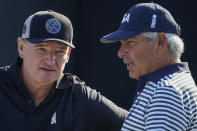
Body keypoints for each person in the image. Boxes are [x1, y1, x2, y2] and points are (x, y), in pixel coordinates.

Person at [0, 10, 128, 131]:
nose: (51, 60)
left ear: (68, 55)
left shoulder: (78, 97)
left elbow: (135, 124)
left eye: (60, 51)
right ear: (21, 48)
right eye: (42, 49)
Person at [100, 2, 197, 131]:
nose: (120, 53)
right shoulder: (166, 86)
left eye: (130, 42)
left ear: (160, 41)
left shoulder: (167, 91)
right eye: (122, 44)